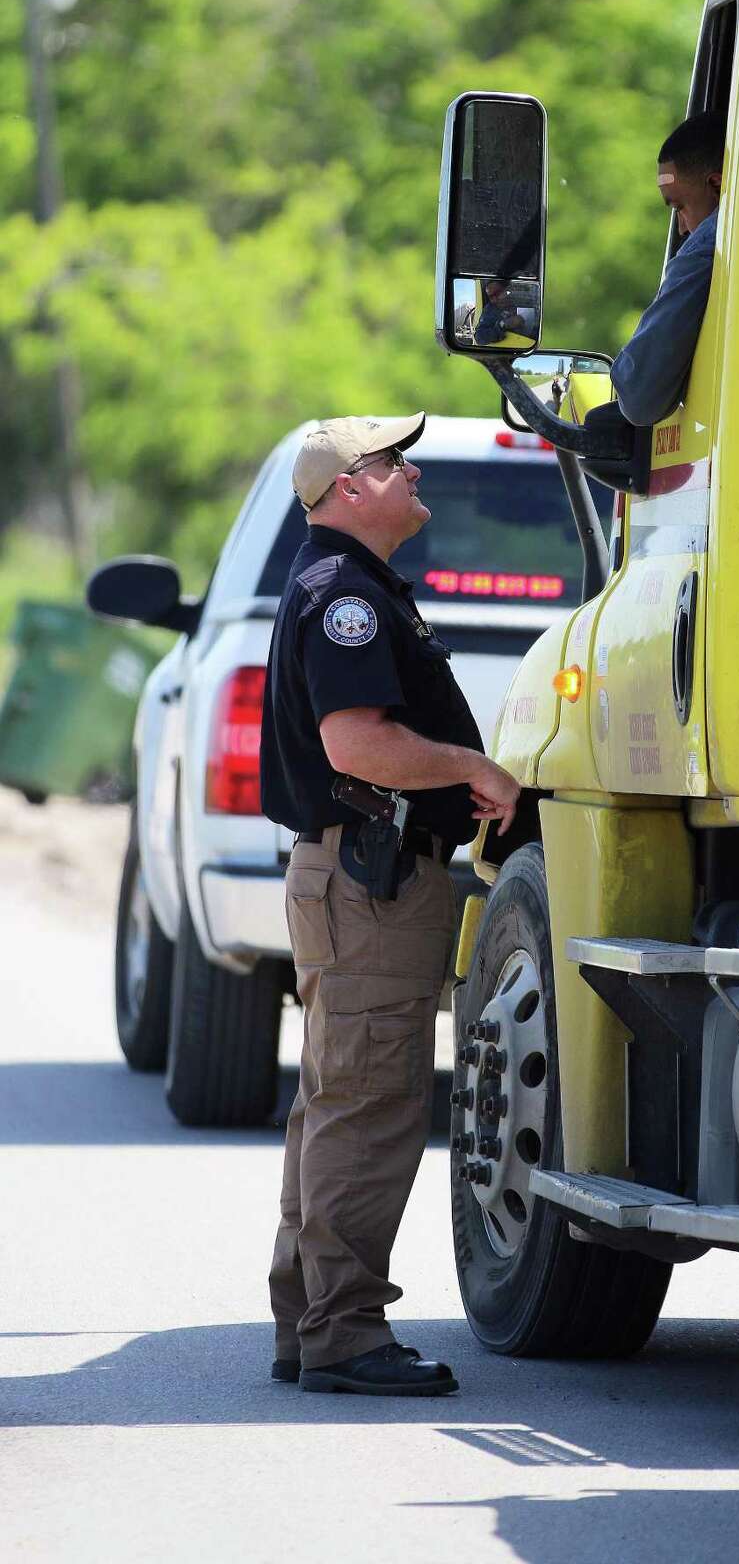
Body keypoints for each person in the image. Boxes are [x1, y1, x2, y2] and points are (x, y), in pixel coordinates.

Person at [260, 413, 519, 1397]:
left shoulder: (350, 586)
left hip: (358, 877)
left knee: (340, 1103)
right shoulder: (345, 599)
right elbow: (357, 746)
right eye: (389, 462)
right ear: (345, 491)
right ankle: (344, 1336)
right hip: (370, 879)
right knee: (368, 1108)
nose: (411, 472)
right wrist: (470, 768)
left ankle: (310, 1322)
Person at [607, 110, 725, 427]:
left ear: (717, 185)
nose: (683, 230)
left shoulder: (709, 248)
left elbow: (640, 396)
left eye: (679, 207)